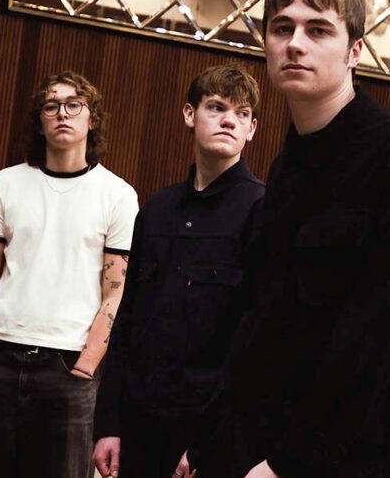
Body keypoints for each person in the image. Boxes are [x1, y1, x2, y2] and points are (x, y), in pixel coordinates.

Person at [189, 0, 390, 478]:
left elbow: (388, 333)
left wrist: (290, 462)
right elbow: (266, 324)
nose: (295, 44)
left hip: (361, 456)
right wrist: (210, 440)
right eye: (282, 28)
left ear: (355, 51)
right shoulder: (286, 168)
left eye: (318, 30)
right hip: (267, 443)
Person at [0, 71, 139, 478]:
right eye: (51, 106)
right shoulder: (6, 184)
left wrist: (85, 367)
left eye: (74, 105)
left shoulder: (118, 195)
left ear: (92, 118)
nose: (62, 113)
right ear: (39, 122)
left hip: (68, 366)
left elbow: (115, 292)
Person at [92, 64, 265, 478]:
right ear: (190, 114)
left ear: (252, 129)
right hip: (139, 424)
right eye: (217, 107)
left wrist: (210, 443)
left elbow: (255, 344)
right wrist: (109, 424)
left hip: (206, 434)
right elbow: (127, 321)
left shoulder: (262, 210)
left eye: (241, 113)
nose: (229, 120)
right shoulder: (157, 209)